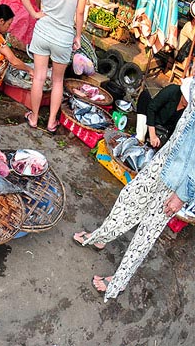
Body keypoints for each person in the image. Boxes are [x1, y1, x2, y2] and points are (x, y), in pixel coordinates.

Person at [75, 77, 195, 301]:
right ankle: (102, 236)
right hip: (164, 161)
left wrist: (183, 194)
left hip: (179, 179)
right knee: (129, 197)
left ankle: (118, 282)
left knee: (147, 232)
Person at [17, 0, 88, 133]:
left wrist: (34, 13)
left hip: (43, 31)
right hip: (64, 36)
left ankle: (34, 117)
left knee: (39, 77)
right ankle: (51, 123)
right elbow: (80, 12)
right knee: (58, 81)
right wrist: (77, 36)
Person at [135, 83, 188, 147]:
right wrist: (152, 135)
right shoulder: (173, 90)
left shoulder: (189, 110)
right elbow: (151, 108)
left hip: (165, 131)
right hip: (153, 121)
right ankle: (141, 137)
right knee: (144, 96)